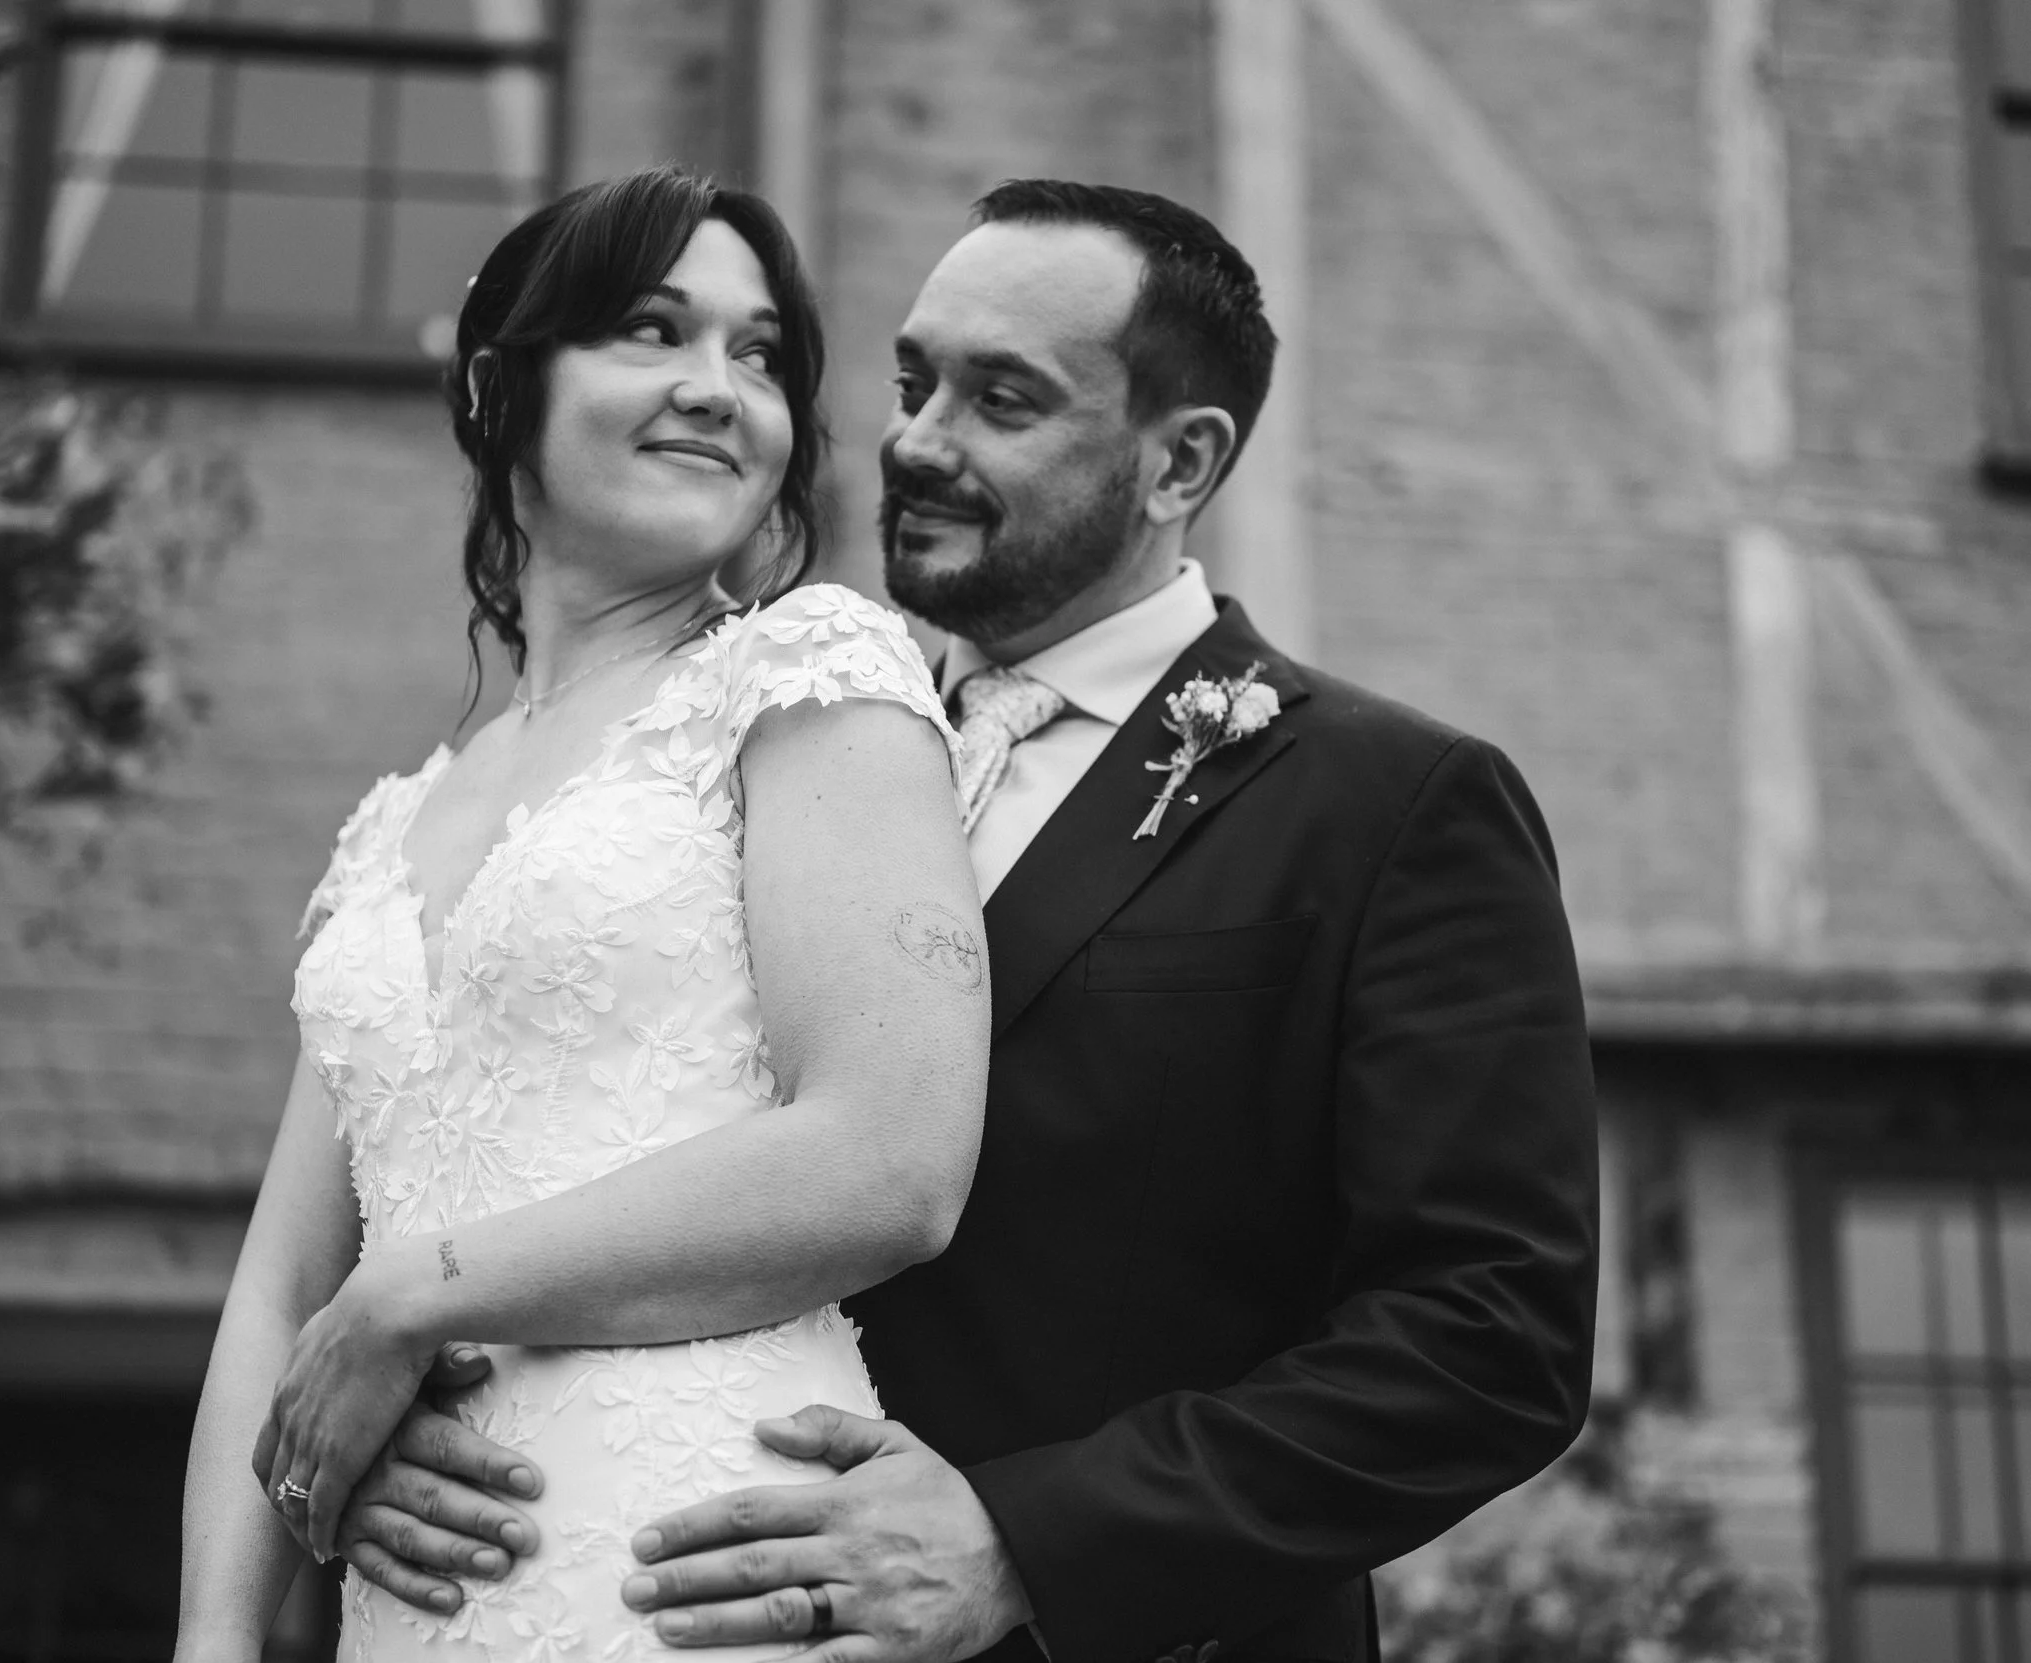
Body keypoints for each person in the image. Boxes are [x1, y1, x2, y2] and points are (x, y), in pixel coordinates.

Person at [339, 180, 1601, 1663]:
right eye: (912, 381)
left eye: (1003, 399)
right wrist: (431, 1410)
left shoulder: (1389, 802)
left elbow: (1490, 1334)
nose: (920, 442)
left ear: (1180, 459)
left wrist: (1031, 1540)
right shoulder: (739, 755)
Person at [172, 165, 991, 1662]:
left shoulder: (809, 676)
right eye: (652, 330)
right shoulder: (392, 820)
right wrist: (218, 1640)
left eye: (760, 356)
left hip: (697, 1574)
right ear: (502, 388)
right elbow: (280, 1288)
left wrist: (415, 1293)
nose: (717, 389)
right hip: (410, 1613)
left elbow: (894, 1156)